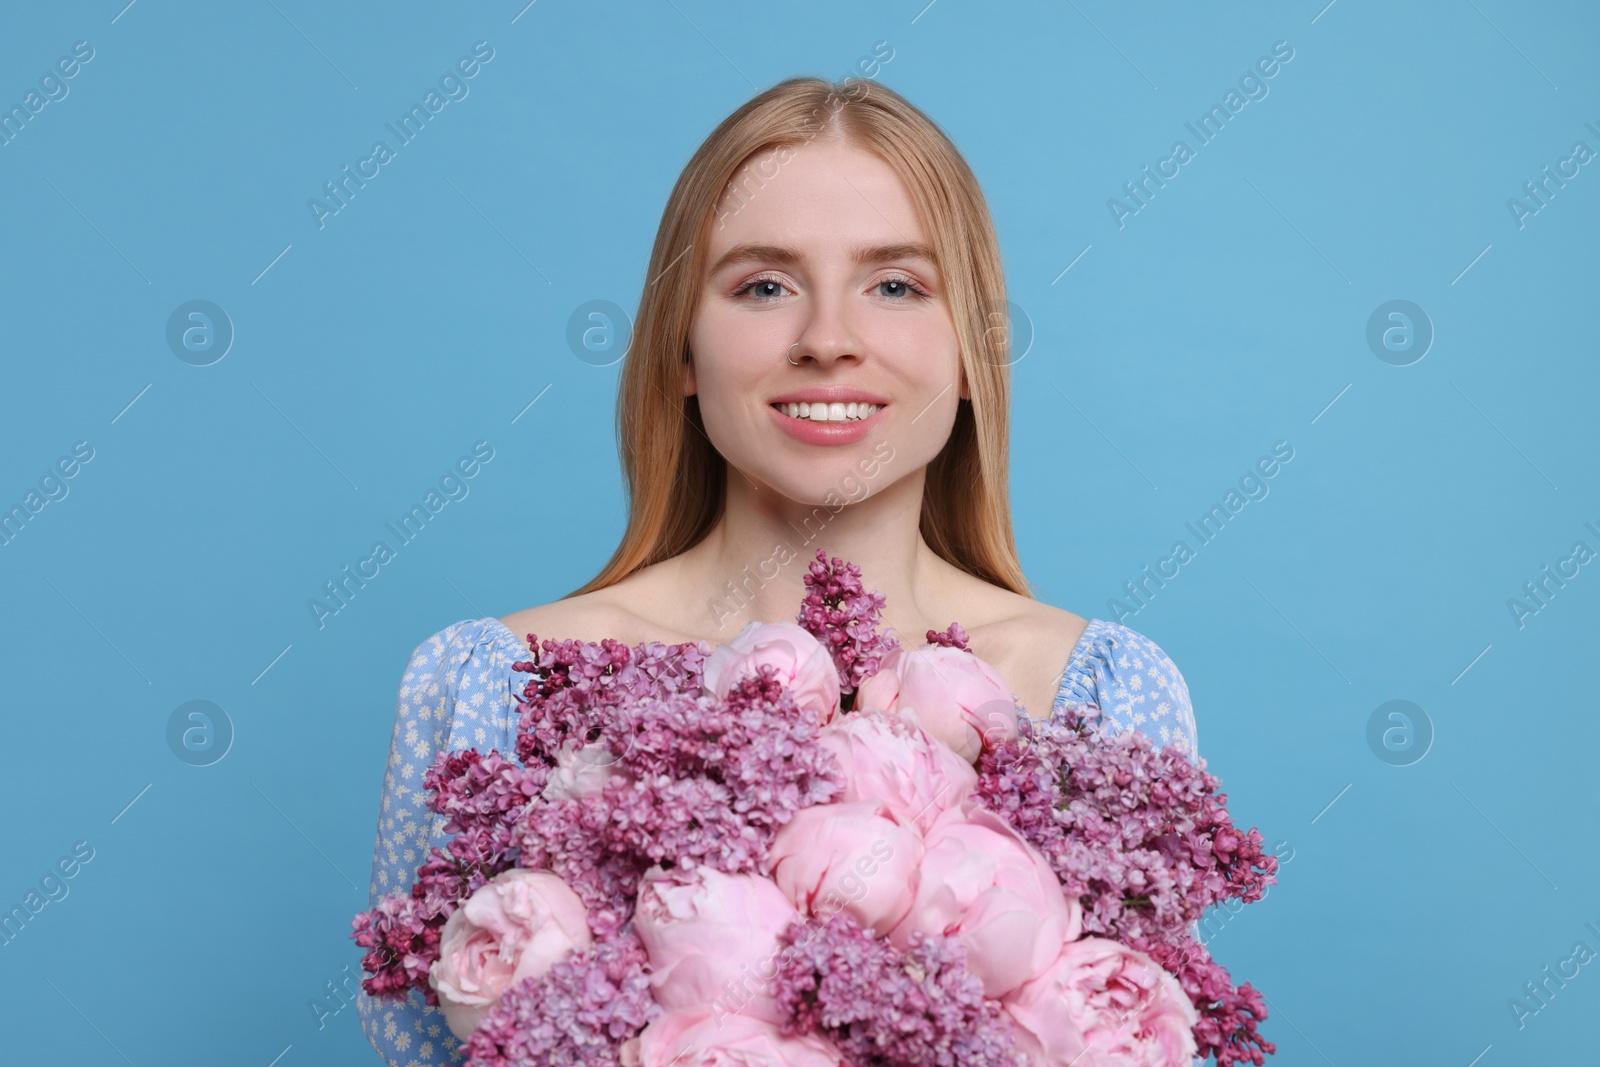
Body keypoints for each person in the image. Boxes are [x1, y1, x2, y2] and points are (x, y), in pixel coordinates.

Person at [356, 75, 1199, 1065]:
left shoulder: (1105, 691)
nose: (828, 339)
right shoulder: (489, 681)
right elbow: (416, 1044)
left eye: (895, 285)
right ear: (680, 347)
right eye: (763, 285)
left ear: (973, 351)